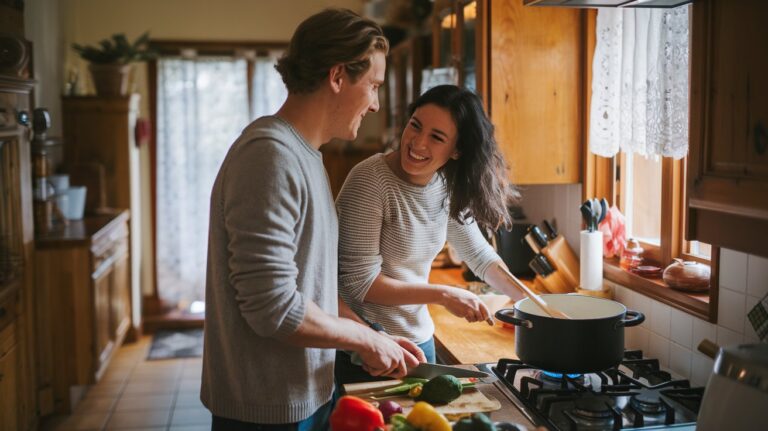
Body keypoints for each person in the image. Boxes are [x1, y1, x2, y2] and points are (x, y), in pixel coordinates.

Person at [201, 8, 424, 431]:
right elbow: (274, 308)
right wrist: (366, 339)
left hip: (306, 397)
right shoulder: (269, 157)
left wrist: (370, 334)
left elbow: (310, 289)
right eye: (373, 85)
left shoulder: (306, 157)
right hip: (265, 412)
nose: (376, 103)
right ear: (338, 76)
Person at [335, 84, 527, 383]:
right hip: (369, 348)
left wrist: (532, 304)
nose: (417, 143)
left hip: (420, 341)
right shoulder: (370, 181)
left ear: (457, 150)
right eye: (415, 126)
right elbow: (361, 283)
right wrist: (445, 294)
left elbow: (478, 255)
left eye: (436, 137)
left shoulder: (445, 185)